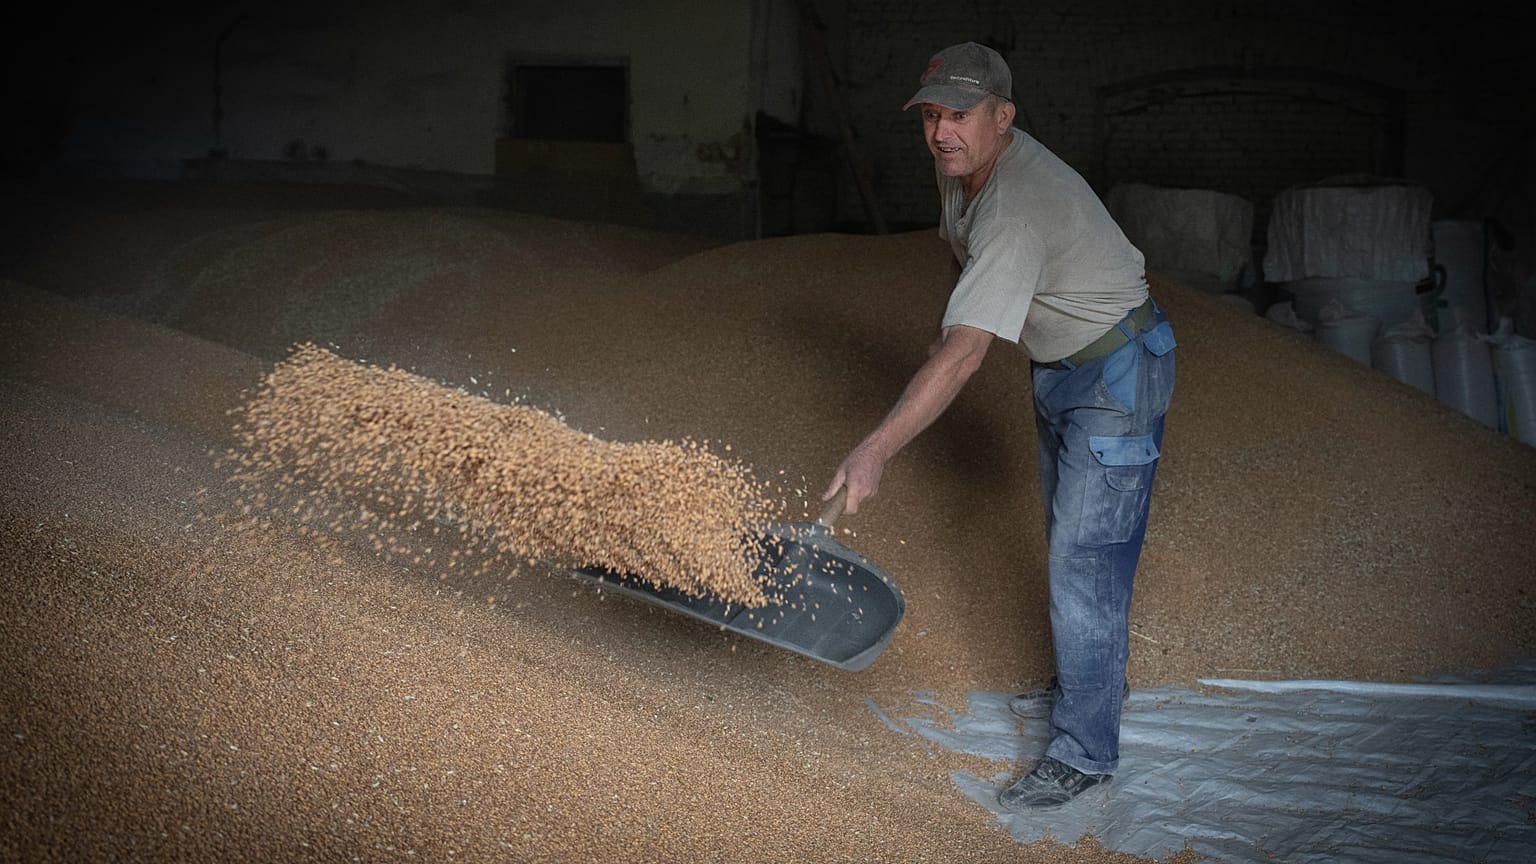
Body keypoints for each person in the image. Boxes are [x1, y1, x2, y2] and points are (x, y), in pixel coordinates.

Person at [822, 41, 1176, 810]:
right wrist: (951, 319)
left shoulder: (1018, 205)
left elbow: (968, 357)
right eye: (933, 116)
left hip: (1116, 373)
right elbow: (960, 248)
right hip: (1062, 366)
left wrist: (876, 447)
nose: (942, 131)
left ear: (1003, 118)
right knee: (1071, 539)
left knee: (1085, 561)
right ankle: (1089, 681)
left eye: (962, 115)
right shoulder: (962, 167)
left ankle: (1085, 753)